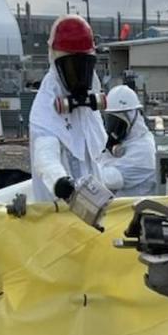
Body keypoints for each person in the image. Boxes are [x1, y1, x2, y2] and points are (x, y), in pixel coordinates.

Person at [29, 15, 121, 203]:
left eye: (83, 67)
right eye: (72, 68)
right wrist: (60, 182)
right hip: (58, 212)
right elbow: (45, 155)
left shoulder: (88, 99)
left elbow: (93, 156)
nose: (79, 77)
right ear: (56, 62)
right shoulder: (47, 105)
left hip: (92, 207)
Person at [99, 84, 158, 196]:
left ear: (132, 116)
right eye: (110, 120)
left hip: (137, 211)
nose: (114, 127)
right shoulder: (121, 142)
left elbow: (112, 180)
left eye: (117, 120)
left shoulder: (144, 148)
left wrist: (85, 170)